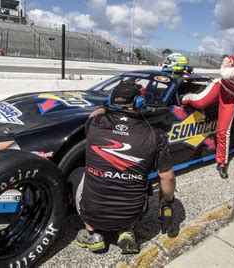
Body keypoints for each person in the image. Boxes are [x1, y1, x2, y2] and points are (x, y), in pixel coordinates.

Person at [73, 81, 176, 254]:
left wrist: (106, 106)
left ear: (111, 100)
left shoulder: (95, 124)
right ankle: (127, 230)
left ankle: (93, 234)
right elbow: (168, 178)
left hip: (92, 213)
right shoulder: (154, 134)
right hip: (132, 214)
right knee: (144, 182)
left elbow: (94, 113)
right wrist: (167, 202)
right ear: (139, 102)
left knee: (77, 174)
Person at [182, 42, 234, 179]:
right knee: (200, 102)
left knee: (224, 131)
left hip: (231, 97)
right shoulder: (229, 60)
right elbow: (225, 74)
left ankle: (222, 163)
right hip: (219, 87)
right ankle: (186, 97)